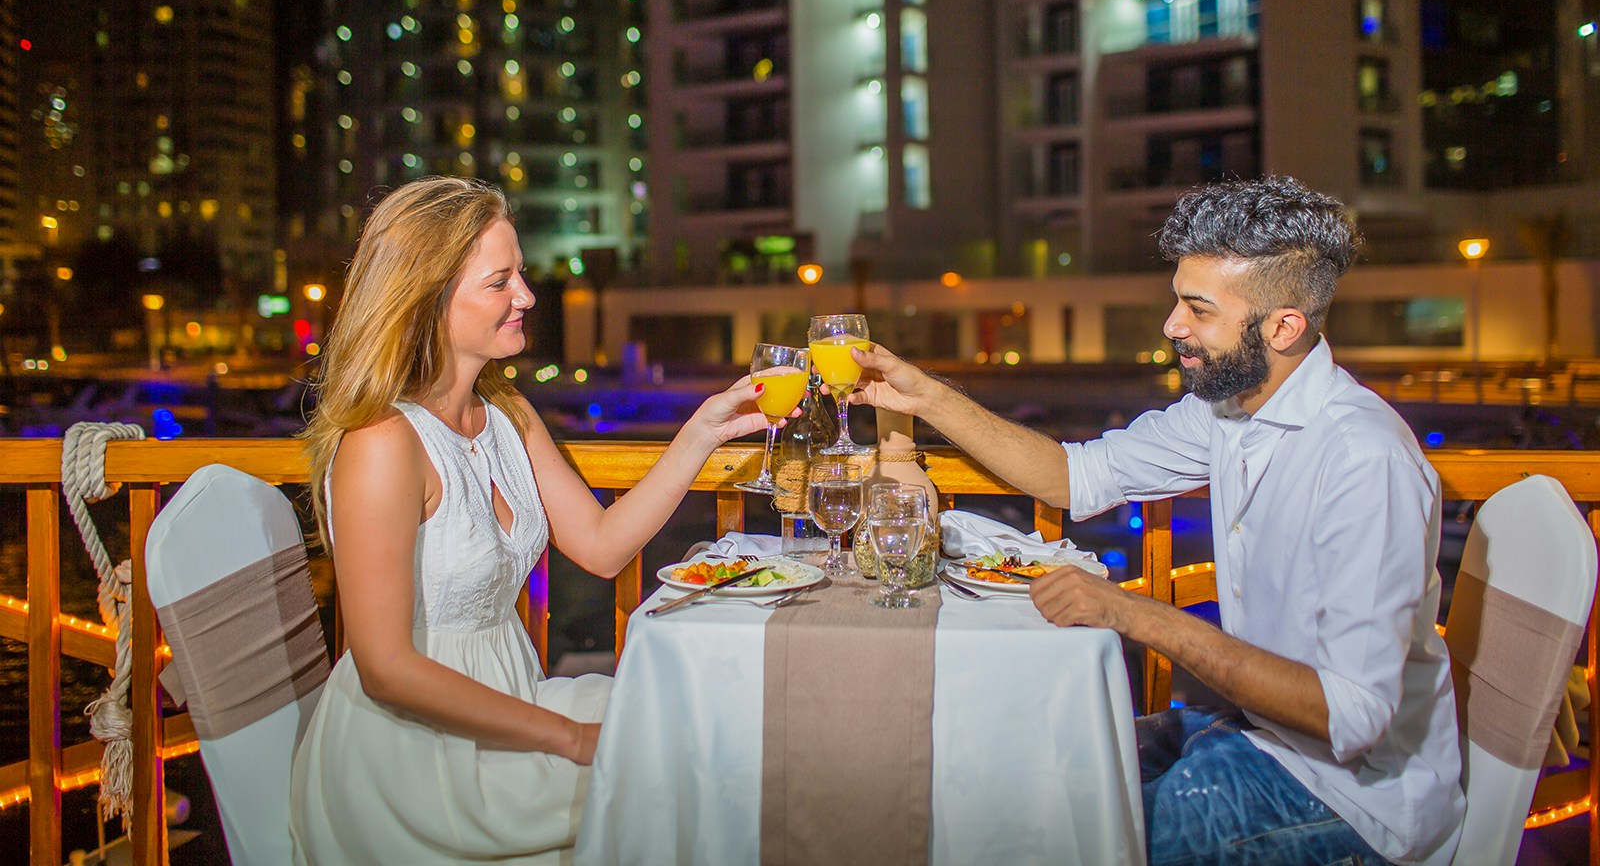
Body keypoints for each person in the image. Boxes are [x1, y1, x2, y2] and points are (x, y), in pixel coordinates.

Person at [847, 177, 1463, 865]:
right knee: (1032, 778)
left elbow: (1352, 718)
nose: (1172, 325)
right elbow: (1070, 475)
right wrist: (925, 396)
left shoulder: (1362, 460)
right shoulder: (1229, 411)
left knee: (1070, 841)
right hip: (1258, 736)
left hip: (1358, 802)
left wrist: (1135, 614)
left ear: (1283, 326)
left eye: (1197, 310)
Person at [288, 177, 774, 864]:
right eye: (499, 281)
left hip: (513, 705)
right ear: (427, 300)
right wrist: (569, 739)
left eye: (521, 272)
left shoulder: (508, 414)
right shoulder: (382, 444)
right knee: (670, 784)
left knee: (700, 732)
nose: (527, 295)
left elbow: (603, 548)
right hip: (415, 756)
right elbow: (386, 670)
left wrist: (700, 434)